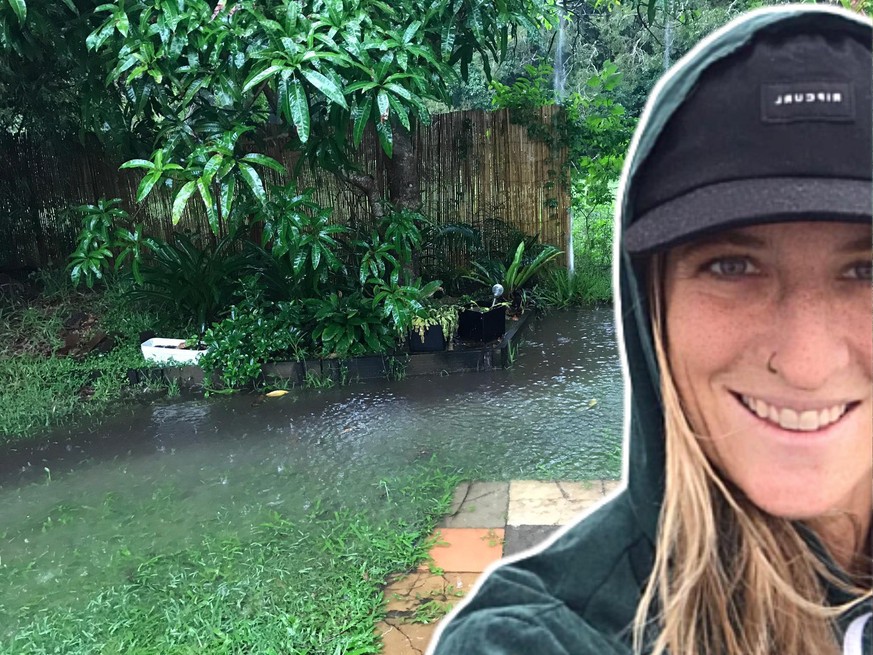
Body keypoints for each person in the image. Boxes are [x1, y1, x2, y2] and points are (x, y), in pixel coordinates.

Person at [427, 6, 872, 655]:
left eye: (865, 268)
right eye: (729, 265)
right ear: (650, 305)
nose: (804, 362)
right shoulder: (550, 635)